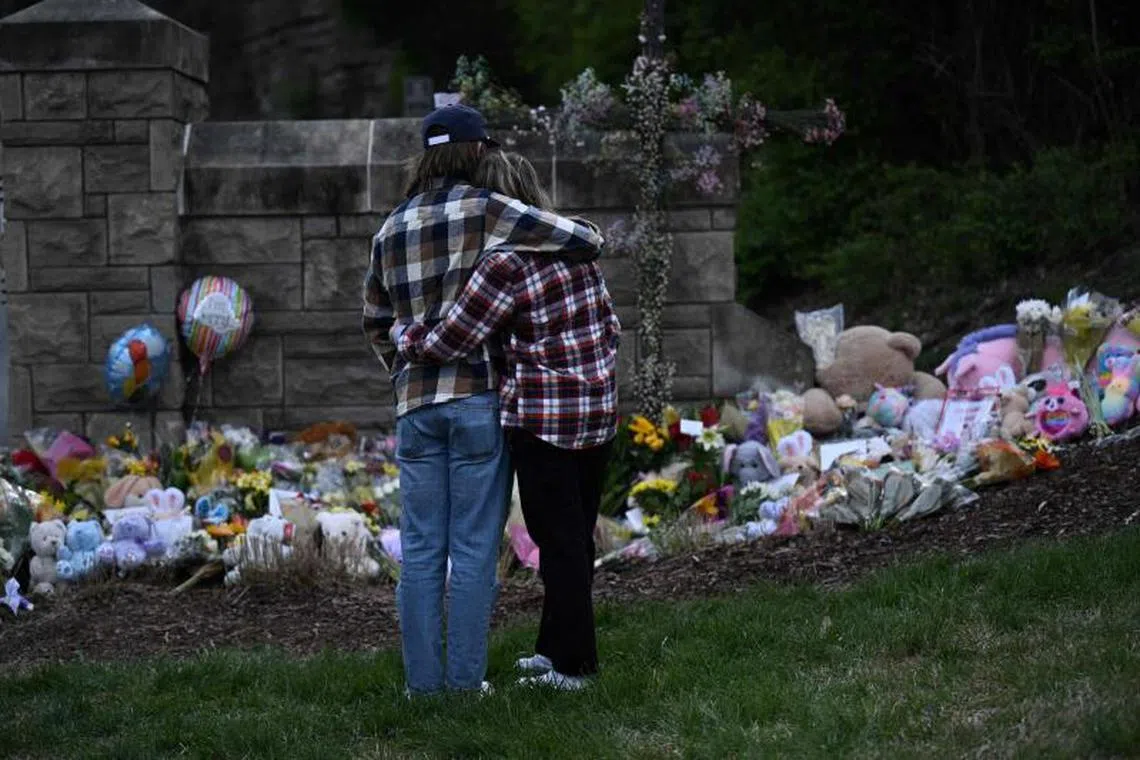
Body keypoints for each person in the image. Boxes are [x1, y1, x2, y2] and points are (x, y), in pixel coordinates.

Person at [363, 106, 604, 697]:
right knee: (473, 550)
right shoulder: (488, 209)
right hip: (477, 401)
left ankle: (422, 688)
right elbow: (583, 239)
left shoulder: (389, 228)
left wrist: (405, 366)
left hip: (415, 408)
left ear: (425, 157)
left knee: (420, 552)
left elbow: (375, 320)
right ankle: (466, 684)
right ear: (476, 152)